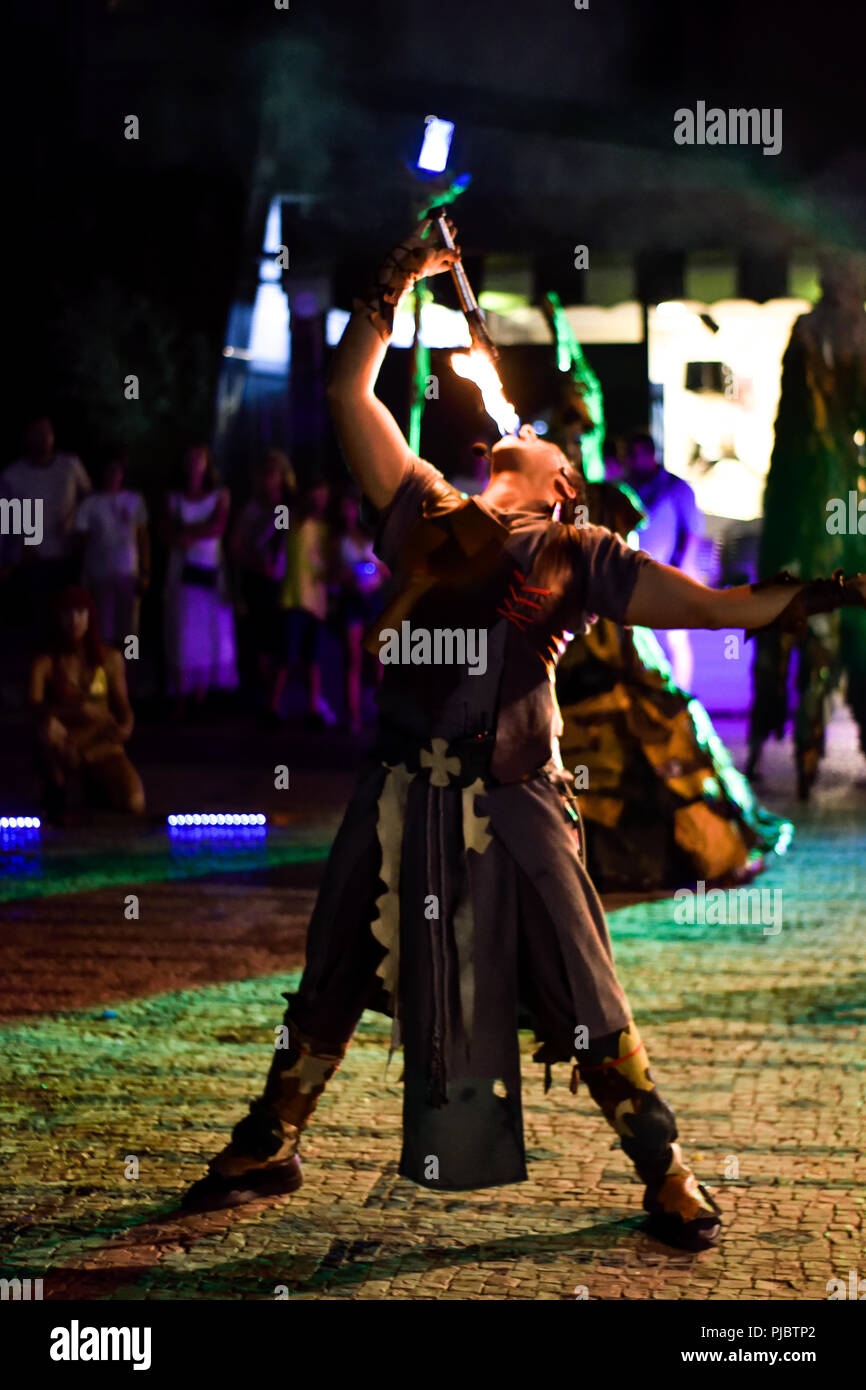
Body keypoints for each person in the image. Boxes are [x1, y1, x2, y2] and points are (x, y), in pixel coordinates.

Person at [180, 218, 866, 1252]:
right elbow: (343, 394)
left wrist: (821, 587)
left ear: (560, 482)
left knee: (579, 980)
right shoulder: (419, 504)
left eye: (539, 440)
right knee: (332, 962)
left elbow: (715, 607)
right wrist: (401, 277)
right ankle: (268, 1137)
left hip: (514, 796)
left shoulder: (577, 548)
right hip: (399, 785)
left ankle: (664, 1164)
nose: (514, 427)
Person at [749, 258, 866, 799]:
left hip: (837, 493)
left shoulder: (848, 331)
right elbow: (798, 417)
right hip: (810, 492)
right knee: (784, 619)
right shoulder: (812, 334)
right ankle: (768, 740)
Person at [29, 586, 145, 822]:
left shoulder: (110, 659)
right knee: (48, 728)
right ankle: (57, 786)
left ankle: (94, 786)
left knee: (135, 802)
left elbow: (123, 709)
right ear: (58, 618)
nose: (74, 620)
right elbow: (34, 710)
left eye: (80, 613)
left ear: (90, 616)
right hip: (66, 745)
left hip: (101, 745)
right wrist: (79, 711)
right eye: (67, 613)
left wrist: (126, 725)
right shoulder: (45, 663)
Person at [0, 417, 92, 648]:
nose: (43, 438)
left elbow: (90, 499)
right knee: (39, 623)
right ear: (26, 437)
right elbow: (6, 517)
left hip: (68, 554)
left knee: (71, 621)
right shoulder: (13, 475)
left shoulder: (69, 465)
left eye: (47, 432)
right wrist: (11, 554)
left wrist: (75, 521)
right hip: (34, 558)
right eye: (36, 433)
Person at [163, 444, 238, 713]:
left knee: (210, 628)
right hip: (182, 570)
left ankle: (204, 692)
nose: (195, 465)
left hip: (209, 568)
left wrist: (187, 533)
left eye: (200, 460)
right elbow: (167, 532)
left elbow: (217, 527)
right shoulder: (173, 498)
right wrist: (189, 533)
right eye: (191, 459)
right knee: (184, 628)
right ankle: (183, 690)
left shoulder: (220, 495)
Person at [627, 432, 703, 692]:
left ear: (651, 455)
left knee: (673, 640)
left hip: (669, 577)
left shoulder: (676, 488)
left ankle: (680, 694)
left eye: (638, 454)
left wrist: (676, 571)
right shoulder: (628, 488)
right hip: (637, 578)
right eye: (630, 454)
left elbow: (691, 533)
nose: (633, 460)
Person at [230, 449, 296, 721]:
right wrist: (258, 564)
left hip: (283, 584)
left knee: (281, 645)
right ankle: (264, 700)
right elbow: (237, 545)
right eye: (265, 473)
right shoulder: (253, 509)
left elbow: (282, 541)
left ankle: (273, 703)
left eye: (274, 473)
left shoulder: (286, 508)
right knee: (259, 643)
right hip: (258, 582)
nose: (270, 479)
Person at [74, 450, 150, 649]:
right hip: (99, 574)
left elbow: (142, 538)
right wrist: (84, 574)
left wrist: (145, 571)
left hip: (128, 573)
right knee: (102, 630)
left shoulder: (134, 500)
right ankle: (104, 673)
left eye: (117, 470)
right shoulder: (91, 504)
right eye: (109, 470)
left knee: (130, 630)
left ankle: (129, 671)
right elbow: (81, 541)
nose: (113, 474)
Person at [280, 481, 336, 727]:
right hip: (293, 598)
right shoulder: (291, 520)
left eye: (323, 497)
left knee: (312, 659)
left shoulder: (327, 529)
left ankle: (313, 708)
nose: (319, 503)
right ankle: (273, 706)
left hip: (317, 602)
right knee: (287, 656)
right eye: (315, 496)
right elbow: (277, 534)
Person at [332, 489, 387, 734]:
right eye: (343, 508)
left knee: (378, 661)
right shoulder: (336, 539)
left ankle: (382, 714)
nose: (347, 513)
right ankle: (352, 716)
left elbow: (388, 570)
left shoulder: (371, 537)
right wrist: (350, 575)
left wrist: (373, 567)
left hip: (373, 599)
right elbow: (332, 574)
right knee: (352, 658)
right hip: (352, 599)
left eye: (351, 507)